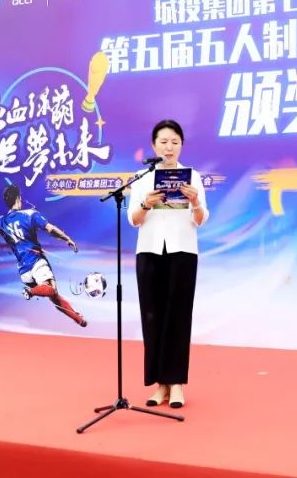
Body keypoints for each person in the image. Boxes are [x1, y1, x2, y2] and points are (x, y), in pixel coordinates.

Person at [128, 119, 208, 409]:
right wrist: (146, 204)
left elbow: (201, 219)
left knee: (178, 317)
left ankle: (176, 385)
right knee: (152, 317)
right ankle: (159, 385)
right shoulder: (141, 178)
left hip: (182, 252)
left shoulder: (193, 177)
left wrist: (195, 201)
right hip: (149, 251)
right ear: (154, 145)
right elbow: (133, 220)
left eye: (175, 142)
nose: (169, 147)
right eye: (163, 142)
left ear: (181, 145)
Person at [0, 185, 87, 327]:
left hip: (24, 272)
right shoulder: (30, 214)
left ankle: (78, 319)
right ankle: (30, 292)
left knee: (53, 295)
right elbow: (50, 229)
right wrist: (67, 238)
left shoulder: (1, 221)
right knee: (51, 289)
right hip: (36, 262)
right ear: (19, 198)